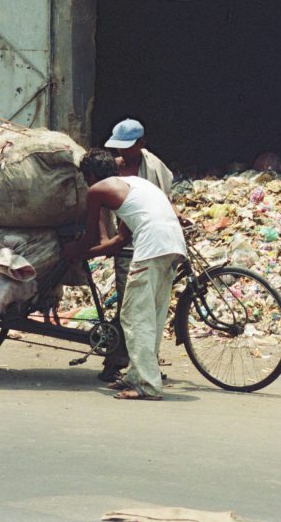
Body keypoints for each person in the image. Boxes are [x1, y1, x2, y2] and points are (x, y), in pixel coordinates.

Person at [62, 148, 185, 400]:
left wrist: (72, 251)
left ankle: (147, 386)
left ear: (91, 175)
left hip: (151, 248)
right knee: (153, 315)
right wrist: (88, 254)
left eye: (86, 178)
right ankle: (136, 376)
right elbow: (120, 241)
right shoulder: (135, 184)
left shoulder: (97, 190)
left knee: (134, 316)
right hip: (173, 245)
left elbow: (91, 237)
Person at [98, 118, 176, 382]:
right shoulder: (114, 168)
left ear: (141, 143)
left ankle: (144, 365)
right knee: (130, 307)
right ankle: (116, 362)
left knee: (149, 308)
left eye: (128, 146)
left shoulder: (153, 168)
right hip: (127, 246)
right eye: (119, 147)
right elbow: (101, 205)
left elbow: (161, 199)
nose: (122, 151)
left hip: (148, 242)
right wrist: (105, 240)